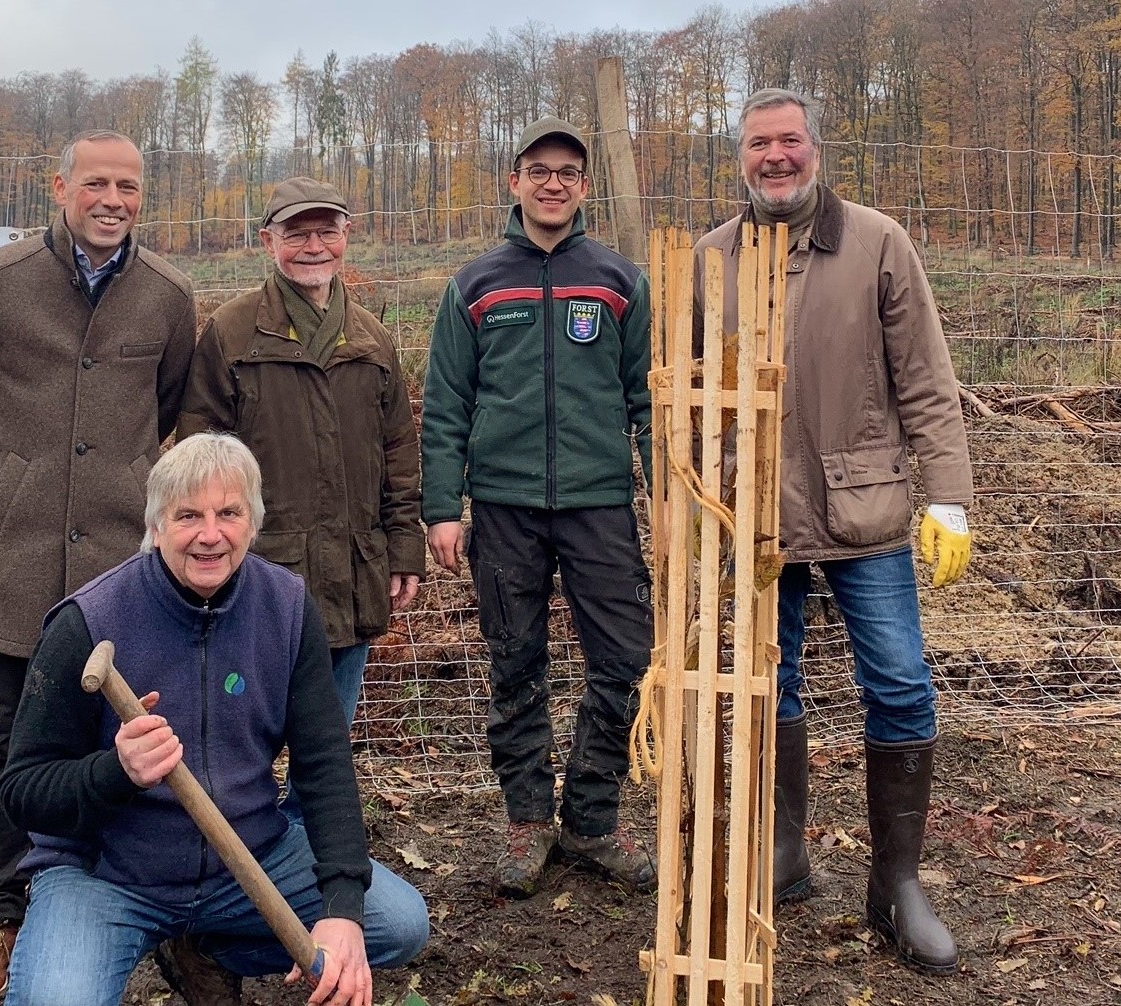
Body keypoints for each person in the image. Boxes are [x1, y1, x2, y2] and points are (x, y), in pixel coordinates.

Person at [693, 88, 974, 975]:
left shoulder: (877, 243)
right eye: (757, 144)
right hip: (757, 513)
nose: (774, 157)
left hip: (867, 507)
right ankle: (786, 854)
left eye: (788, 141)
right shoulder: (711, 258)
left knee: (897, 682)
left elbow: (926, 378)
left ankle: (897, 885)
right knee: (768, 686)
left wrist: (949, 495)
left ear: (815, 148)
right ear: (738, 157)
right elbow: (691, 393)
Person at [0, 432, 429, 1006]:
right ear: (155, 528)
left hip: (248, 861)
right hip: (109, 878)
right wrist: (115, 771)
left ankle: (208, 948)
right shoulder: (87, 622)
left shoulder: (286, 607)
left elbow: (325, 766)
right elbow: (22, 790)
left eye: (229, 513)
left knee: (397, 925)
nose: (210, 534)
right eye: (188, 516)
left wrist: (342, 908)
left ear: (252, 523)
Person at [0, 128, 198, 1004]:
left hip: (121, 570)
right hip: (18, 564)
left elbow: (173, 410)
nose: (113, 199)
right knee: (6, 741)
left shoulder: (167, 297)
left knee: (135, 735)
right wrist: (11, 481)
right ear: (60, 187)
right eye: (96, 184)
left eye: (129, 185)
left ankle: (154, 913)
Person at [421, 116, 656, 898]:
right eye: (537, 169)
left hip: (598, 505)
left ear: (584, 187)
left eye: (567, 171)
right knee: (514, 659)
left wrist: (667, 491)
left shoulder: (621, 282)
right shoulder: (476, 285)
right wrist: (441, 507)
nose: (552, 182)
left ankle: (590, 817)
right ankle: (527, 820)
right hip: (505, 507)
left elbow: (646, 399)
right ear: (514, 181)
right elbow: (447, 403)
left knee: (624, 657)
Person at [177, 176, 422, 736]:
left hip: (355, 568)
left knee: (329, 735)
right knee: (243, 728)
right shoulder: (232, 334)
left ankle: (309, 825)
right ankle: (246, 823)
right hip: (259, 568)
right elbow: (198, 459)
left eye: (327, 231)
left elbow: (399, 455)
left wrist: (403, 547)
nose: (314, 246)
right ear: (268, 241)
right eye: (296, 233)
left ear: (347, 235)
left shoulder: (372, 339)